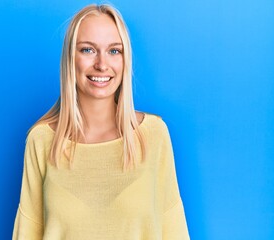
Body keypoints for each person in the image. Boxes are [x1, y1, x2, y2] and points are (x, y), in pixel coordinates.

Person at [12, 4, 189, 239]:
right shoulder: (42, 141)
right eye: (88, 50)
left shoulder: (154, 135)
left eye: (114, 51)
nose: (102, 64)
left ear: (126, 59)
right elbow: (27, 233)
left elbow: (173, 229)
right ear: (70, 59)